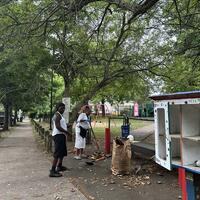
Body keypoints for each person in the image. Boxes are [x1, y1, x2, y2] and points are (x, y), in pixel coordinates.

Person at [49, 102, 70, 177]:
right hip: (58, 136)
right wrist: (67, 132)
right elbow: (57, 126)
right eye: (61, 108)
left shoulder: (59, 115)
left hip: (61, 135)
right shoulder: (57, 115)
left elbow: (61, 124)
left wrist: (67, 126)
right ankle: (52, 170)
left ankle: (59, 166)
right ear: (58, 108)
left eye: (64, 108)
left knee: (62, 152)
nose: (63, 109)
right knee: (57, 153)